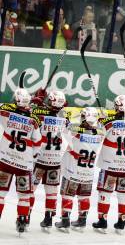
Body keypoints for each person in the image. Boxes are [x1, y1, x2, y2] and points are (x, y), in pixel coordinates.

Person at [92, 95, 125, 234]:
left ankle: (102, 220)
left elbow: (97, 135)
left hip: (109, 165)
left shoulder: (109, 121)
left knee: (105, 193)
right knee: (123, 195)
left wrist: (100, 121)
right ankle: (122, 222)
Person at [55, 107, 104, 232]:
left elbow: (64, 126)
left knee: (67, 195)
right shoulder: (101, 132)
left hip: (72, 170)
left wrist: (62, 111)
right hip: (88, 172)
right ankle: (82, 220)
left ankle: (65, 220)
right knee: (84, 196)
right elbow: (99, 127)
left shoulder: (75, 130)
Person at [0, 89, 42, 234]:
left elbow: (6, 108)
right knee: (24, 195)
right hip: (24, 163)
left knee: (0, 193)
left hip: (4, 159)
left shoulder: (6, 111)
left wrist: (27, 104)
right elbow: (38, 141)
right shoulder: (34, 119)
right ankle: (23, 220)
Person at [29, 90, 69, 231]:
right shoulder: (65, 117)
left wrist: (36, 101)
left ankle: (25, 216)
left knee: (30, 190)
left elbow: (28, 113)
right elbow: (60, 112)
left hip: (39, 159)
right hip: (55, 161)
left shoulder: (39, 113)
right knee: (51, 192)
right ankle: (49, 218)